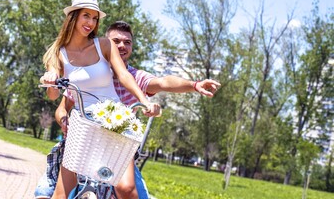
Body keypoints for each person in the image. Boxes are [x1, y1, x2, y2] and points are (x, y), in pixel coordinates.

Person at [35, 21, 221, 199]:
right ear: (105, 45)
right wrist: (64, 122)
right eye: (116, 41)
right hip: (85, 141)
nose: (121, 46)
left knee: (132, 192)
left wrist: (194, 85)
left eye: (127, 42)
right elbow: (61, 109)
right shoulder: (88, 75)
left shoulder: (135, 77)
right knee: (47, 189)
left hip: (118, 148)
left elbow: (163, 82)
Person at [38, 0, 161, 199]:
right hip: (83, 124)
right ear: (73, 17)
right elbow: (52, 95)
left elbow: (123, 75)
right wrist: (51, 79)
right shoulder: (58, 53)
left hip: (114, 120)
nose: (91, 22)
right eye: (86, 16)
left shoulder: (103, 44)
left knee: (126, 189)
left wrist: (144, 99)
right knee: (60, 194)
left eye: (95, 18)